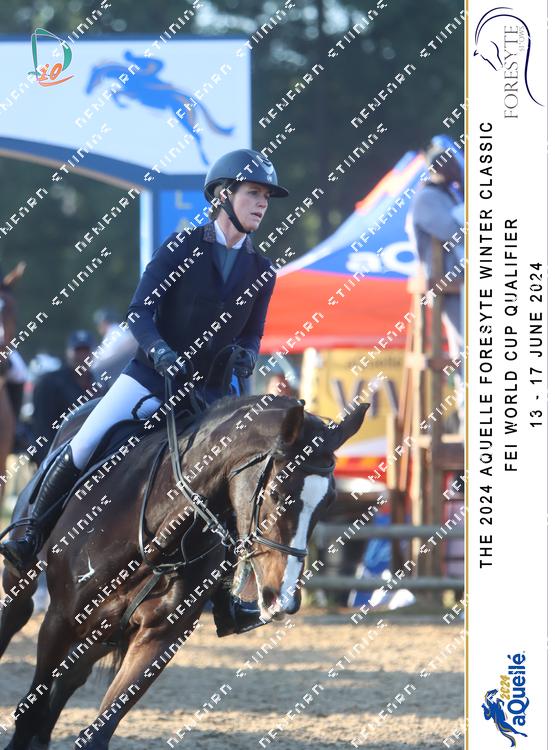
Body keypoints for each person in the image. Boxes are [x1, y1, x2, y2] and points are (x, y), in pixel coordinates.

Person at [0, 149, 289, 636]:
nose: (262, 203)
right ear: (223, 195)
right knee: (86, 439)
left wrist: (246, 355)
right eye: (253, 193)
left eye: (266, 196)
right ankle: (30, 535)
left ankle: (226, 595)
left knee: (238, 481)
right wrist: (160, 353)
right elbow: (140, 312)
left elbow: (252, 334)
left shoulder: (261, 269)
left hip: (211, 396)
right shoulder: (181, 247)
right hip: (152, 377)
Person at [406, 143, 465, 429]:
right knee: (466, 350)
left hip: (459, 286)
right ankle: (470, 423)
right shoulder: (428, 198)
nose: (457, 167)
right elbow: (458, 232)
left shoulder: (447, 195)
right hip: (448, 288)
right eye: (451, 163)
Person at [32, 330, 96, 463]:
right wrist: (47, 461)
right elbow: (42, 428)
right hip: (59, 458)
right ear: (68, 352)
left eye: (86, 351)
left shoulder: (99, 385)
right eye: (78, 351)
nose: (82, 356)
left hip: (92, 455)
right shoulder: (50, 383)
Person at [91, 308, 137, 387]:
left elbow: (98, 363)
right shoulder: (120, 330)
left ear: (104, 323)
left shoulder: (114, 332)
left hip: (121, 373)